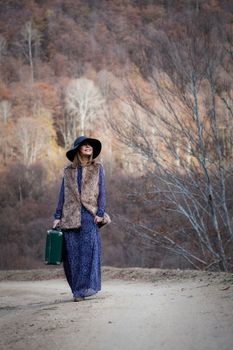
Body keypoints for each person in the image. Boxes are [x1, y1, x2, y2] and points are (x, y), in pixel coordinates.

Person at [53, 136, 110, 302]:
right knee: (72, 256)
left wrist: (100, 212)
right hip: (69, 217)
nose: (88, 147)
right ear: (77, 149)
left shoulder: (98, 168)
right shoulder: (68, 171)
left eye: (90, 145)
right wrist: (57, 216)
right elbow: (62, 195)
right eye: (84, 145)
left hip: (89, 216)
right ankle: (77, 289)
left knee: (88, 254)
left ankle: (81, 291)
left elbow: (102, 192)